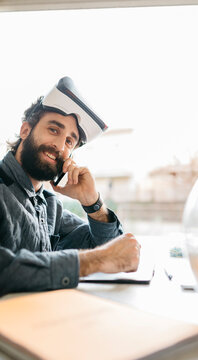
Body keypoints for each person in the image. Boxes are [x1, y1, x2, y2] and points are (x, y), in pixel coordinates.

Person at [0, 77, 140, 296]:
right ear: (26, 130)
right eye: (54, 130)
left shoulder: (49, 206)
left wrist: (92, 202)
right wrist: (96, 261)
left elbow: (110, 249)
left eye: (69, 142)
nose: (59, 146)